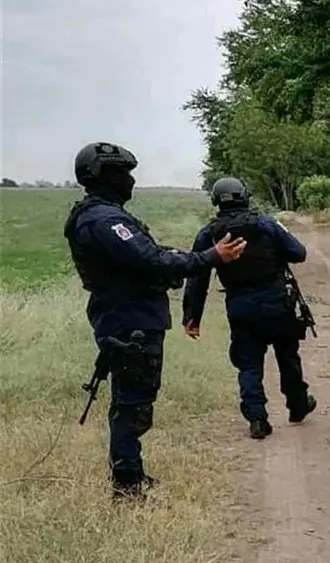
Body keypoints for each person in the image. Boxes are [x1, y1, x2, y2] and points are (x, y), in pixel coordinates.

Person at [63, 142, 247, 501]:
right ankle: (127, 486)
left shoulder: (105, 216)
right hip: (128, 320)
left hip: (130, 316)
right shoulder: (104, 220)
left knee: (133, 400)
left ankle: (132, 474)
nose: (130, 180)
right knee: (132, 404)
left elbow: (150, 257)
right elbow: (152, 261)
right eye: (124, 173)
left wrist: (178, 260)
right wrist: (211, 257)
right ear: (106, 176)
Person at [182, 177, 317, 440]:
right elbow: (298, 253)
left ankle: (257, 419)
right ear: (245, 196)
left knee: (248, 363)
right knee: (287, 355)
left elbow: (197, 277)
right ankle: (298, 405)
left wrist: (192, 317)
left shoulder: (209, 233)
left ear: (216, 201)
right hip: (277, 301)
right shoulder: (266, 223)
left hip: (240, 305)